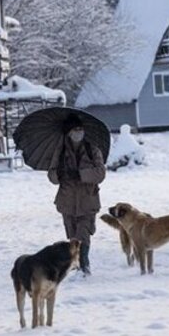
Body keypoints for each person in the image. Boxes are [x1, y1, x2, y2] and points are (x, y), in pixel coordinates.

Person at [47, 113, 106, 276]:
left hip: (88, 200)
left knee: (83, 235)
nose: (79, 132)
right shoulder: (59, 153)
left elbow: (100, 173)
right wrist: (59, 174)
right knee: (72, 237)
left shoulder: (92, 150)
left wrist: (81, 174)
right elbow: (51, 176)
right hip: (67, 202)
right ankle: (75, 265)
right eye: (75, 129)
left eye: (81, 129)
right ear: (68, 132)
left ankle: (84, 265)